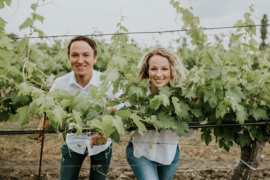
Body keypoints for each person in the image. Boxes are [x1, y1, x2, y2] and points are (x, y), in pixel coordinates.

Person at [28, 36, 122, 180]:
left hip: (102, 144)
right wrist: (41, 127)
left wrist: (106, 130)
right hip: (73, 142)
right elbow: (51, 111)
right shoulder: (60, 84)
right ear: (69, 57)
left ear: (95, 58)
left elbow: (120, 111)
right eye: (75, 55)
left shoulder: (108, 82)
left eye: (86, 55)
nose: (80, 60)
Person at [126, 47, 194, 180]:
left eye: (164, 69)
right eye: (153, 69)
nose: (158, 74)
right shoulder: (137, 95)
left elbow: (187, 133)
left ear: (172, 70)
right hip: (141, 152)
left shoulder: (180, 97)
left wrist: (193, 109)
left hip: (169, 154)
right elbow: (128, 130)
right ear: (147, 70)